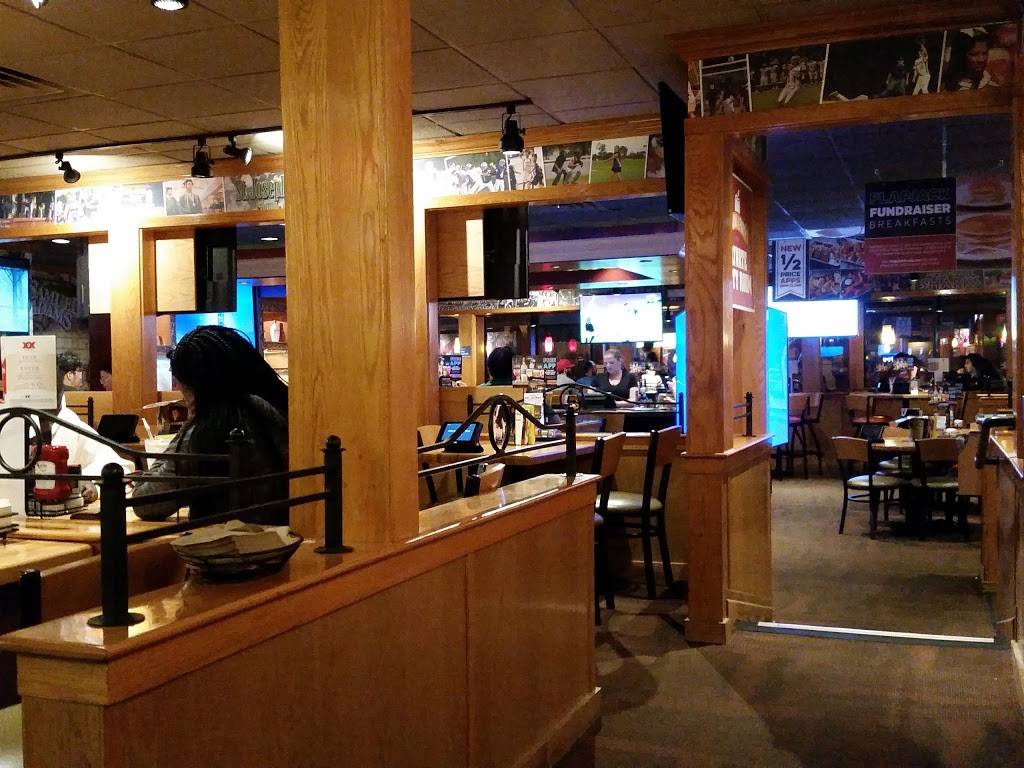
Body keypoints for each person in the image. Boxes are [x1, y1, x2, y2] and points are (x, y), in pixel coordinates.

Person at [131, 326, 289, 523]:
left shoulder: (208, 431)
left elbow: (145, 502)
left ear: (197, 386)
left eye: (182, 385)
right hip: (285, 534)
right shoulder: (278, 410)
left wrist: (191, 423)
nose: (181, 392)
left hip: (224, 538)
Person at [49, 352, 134, 503]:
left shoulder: (68, 421)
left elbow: (119, 470)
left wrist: (94, 486)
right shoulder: (20, 420)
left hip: (105, 476)